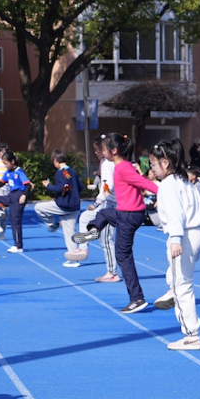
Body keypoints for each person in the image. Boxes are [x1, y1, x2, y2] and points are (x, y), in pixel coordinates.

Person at [73, 134, 158, 313]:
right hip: (124, 212)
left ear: (114, 151)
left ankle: (137, 298)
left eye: (104, 149)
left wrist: (164, 191)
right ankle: (94, 231)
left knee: (123, 256)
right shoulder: (124, 166)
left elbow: (143, 183)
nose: (102, 153)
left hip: (130, 215)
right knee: (104, 214)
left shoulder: (122, 168)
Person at [148, 140, 200, 351]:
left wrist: (175, 239)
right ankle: (171, 286)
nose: (152, 169)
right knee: (176, 275)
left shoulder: (167, 185)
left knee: (183, 286)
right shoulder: (184, 180)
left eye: (154, 165)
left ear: (165, 163)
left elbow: (176, 214)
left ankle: (191, 335)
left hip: (186, 234)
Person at [75, 139, 119, 279]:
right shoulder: (107, 163)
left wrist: (97, 203)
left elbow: (107, 187)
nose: (95, 152)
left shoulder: (107, 164)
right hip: (108, 203)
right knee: (85, 217)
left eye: (98, 149)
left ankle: (112, 273)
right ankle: (83, 248)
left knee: (106, 240)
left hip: (110, 204)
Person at [33, 148, 83, 267]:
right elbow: (80, 187)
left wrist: (48, 186)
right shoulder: (73, 171)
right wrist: (74, 195)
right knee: (69, 232)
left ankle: (52, 224)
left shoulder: (60, 172)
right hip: (75, 206)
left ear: (55, 160)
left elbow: (61, 187)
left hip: (63, 205)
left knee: (38, 207)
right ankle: (74, 259)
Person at [0, 152, 33, 254]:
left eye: (6, 163)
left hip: (19, 196)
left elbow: (28, 185)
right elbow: (1, 183)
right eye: (4, 163)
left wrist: (24, 195)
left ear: (12, 161)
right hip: (11, 196)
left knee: (15, 222)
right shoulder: (8, 172)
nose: (5, 166)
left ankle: (18, 246)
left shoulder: (19, 172)